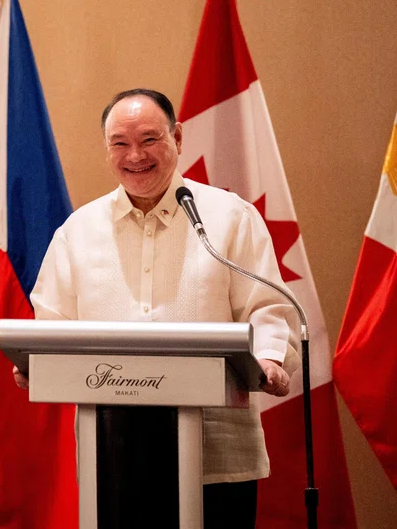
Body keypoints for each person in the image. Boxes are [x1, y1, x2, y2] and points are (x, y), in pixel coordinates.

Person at [15, 89, 300, 527]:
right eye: (120, 143)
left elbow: (266, 309)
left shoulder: (229, 219)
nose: (135, 155)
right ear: (106, 148)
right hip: (111, 452)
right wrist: (35, 360)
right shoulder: (78, 231)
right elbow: (52, 323)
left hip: (215, 451)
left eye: (149, 139)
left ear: (178, 137)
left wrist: (270, 359)